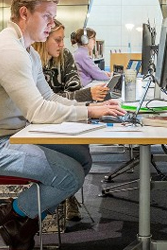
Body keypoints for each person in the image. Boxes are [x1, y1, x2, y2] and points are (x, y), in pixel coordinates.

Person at [0, 0, 124, 250]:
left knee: (81, 156)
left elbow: (49, 97)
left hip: (6, 136)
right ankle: (12, 214)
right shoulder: (8, 51)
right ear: (24, 13)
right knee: (70, 175)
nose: (52, 24)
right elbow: (37, 110)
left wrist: (89, 106)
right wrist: (89, 113)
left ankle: (20, 227)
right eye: (47, 17)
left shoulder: (29, 52)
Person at [33, 19, 110, 224]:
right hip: (36, 124)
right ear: (43, 40)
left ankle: (55, 198)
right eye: (57, 39)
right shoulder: (31, 62)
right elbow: (42, 102)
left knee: (81, 152)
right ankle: (51, 201)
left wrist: (85, 104)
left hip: (56, 117)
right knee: (80, 156)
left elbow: (69, 92)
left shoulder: (64, 56)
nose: (62, 45)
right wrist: (85, 100)